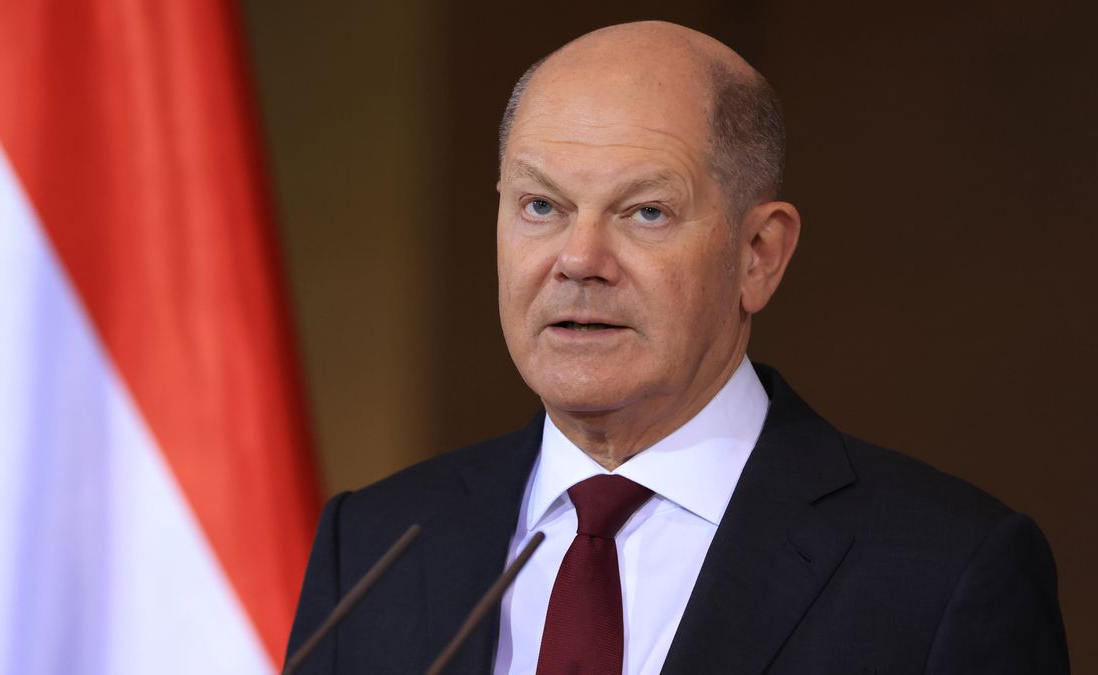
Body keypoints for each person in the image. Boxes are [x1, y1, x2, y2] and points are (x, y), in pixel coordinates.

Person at [285, 21, 1068, 674]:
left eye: (646, 211)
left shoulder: (944, 572)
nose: (579, 257)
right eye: (540, 204)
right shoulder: (374, 547)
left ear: (758, 252)